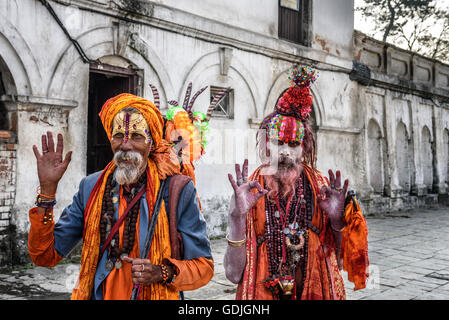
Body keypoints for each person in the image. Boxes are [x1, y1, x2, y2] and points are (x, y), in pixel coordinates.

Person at [28, 93, 214, 300]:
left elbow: (203, 267)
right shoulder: (90, 187)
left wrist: (161, 272)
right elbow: (44, 255)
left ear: (151, 143)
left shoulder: (177, 189)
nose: (126, 145)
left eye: (136, 136)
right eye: (118, 136)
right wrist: (47, 191)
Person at [223, 66, 369, 300]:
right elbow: (232, 275)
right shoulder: (250, 190)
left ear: (304, 149)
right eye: (278, 142)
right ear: (266, 145)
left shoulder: (321, 188)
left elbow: (342, 261)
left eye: (293, 145)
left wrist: (336, 221)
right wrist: (237, 218)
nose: (285, 153)